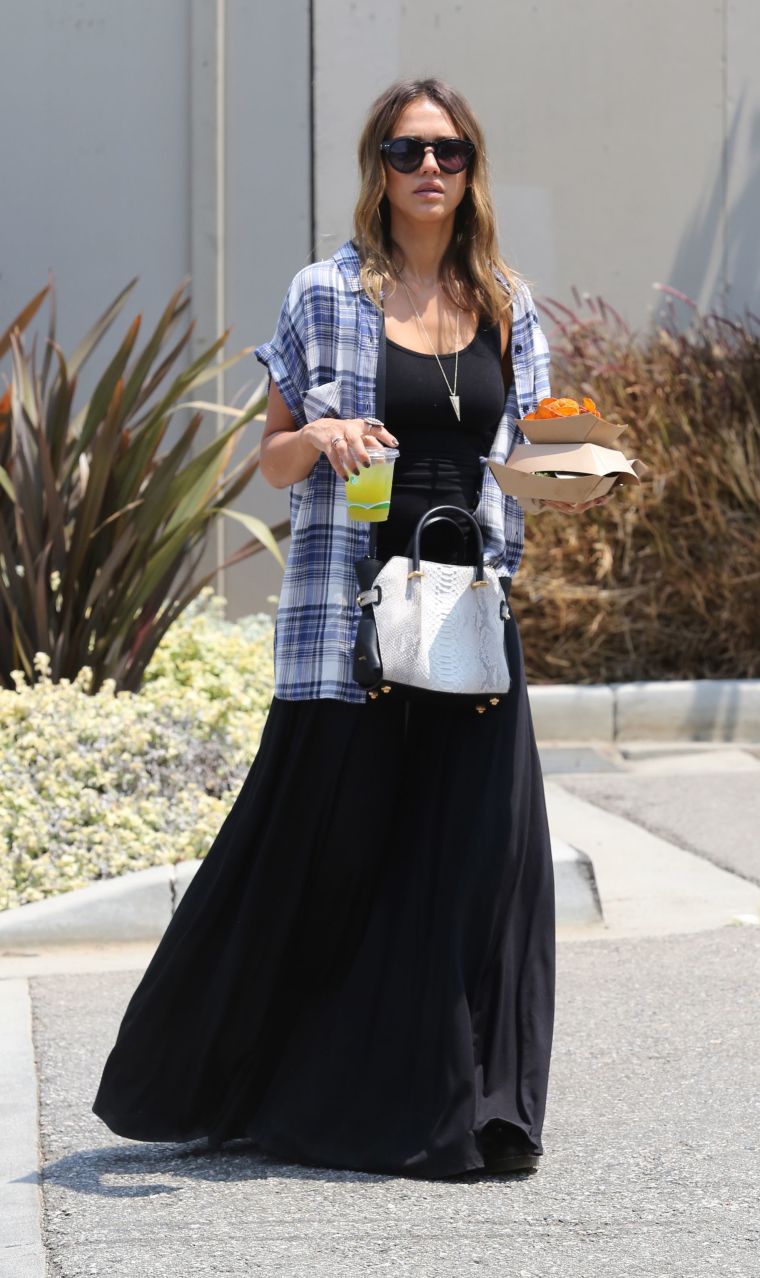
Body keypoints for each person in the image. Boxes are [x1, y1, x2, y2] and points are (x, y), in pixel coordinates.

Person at [92, 77, 607, 1180]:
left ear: (473, 168)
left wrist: (577, 470)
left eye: (449, 151)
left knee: (479, 866)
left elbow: (538, 463)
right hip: (351, 617)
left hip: (466, 613)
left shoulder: (509, 301)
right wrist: (320, 431)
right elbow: (267, 460)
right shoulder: (324, 294)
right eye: (405, 149)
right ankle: (244, 1080)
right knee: (327, 857)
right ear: (376, 166)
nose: (429, 169)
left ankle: (477, 1108)